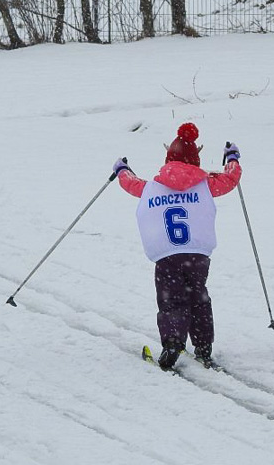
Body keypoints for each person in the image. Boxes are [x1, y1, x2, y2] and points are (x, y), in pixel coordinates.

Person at [114, 123, 241, 370]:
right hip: (197, 255)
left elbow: (130, 183)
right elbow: (231, 179)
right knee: (198, 297)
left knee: (172, 300)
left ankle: (172, 343)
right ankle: (203, 348)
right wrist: (232, 158)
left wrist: (122, 169)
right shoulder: (206, 184)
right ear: (195, 159)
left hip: (167, 255)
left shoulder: (151, 187)